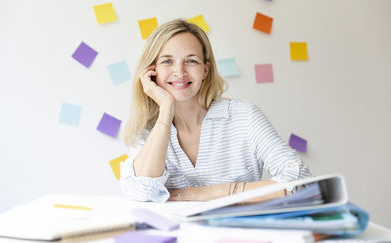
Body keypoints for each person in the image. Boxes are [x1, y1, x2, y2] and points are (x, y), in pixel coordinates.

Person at [121, 19, 310, 203]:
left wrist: (218, 191)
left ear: (205, 70)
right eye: (167, 61)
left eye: (191, 61)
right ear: (151, 71)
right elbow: (142, 192)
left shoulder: (244, 117)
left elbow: (302, 181)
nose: (179, 72)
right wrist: (165, 110)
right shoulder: (147, 130)